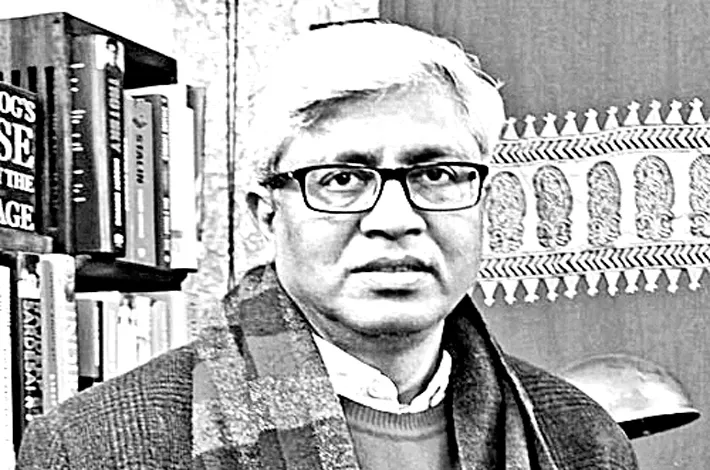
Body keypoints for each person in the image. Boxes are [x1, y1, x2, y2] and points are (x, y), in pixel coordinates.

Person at [17, 20, 638, 469]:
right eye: (341, 179)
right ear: (267, 213)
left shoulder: (582, 439)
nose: (395, 218)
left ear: (483, 202)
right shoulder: (94, 448)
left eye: (436, 173)